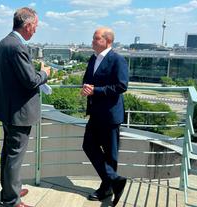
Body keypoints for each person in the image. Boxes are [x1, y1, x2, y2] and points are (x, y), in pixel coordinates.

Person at [0, 7, 50, 207]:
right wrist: (45, 73)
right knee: (14, 156)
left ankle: (10, 190)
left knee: (8, 153)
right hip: (19, 112)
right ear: (28, 25)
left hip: (8, 109)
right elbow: (31, 81)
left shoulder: (5, 42)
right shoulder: (17, 46)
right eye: (36, 26)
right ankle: (12, 200)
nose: (36, 30)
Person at [81, 27, 128, 206]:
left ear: (107, 41)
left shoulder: (117, 59)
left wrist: (96, 90)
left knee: (110, 155)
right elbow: (87, 80)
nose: (92, 41)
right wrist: (85, 87)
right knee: (88, 145)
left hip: (110, 115)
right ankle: (114, 180)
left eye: (96, 39)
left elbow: (122, 86)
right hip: (95, 114)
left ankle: (108, 188)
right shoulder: (93, 59)